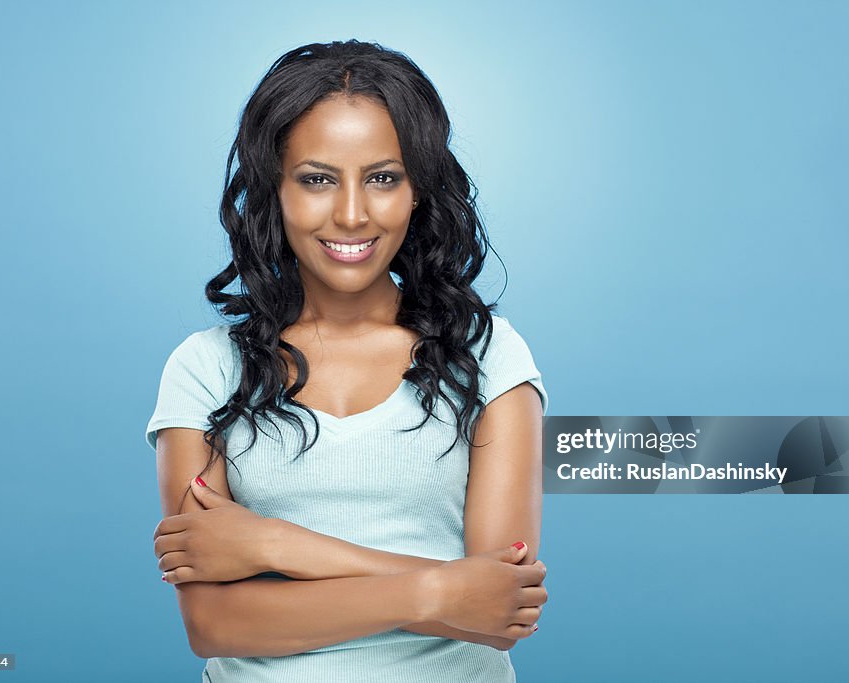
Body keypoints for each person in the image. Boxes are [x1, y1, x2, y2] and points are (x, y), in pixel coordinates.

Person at [144, 39, 549, 682]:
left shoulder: (489, 356)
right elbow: (213, 626)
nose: (352, 214)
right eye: (317, 178)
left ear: (419, 191)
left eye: (383, 178)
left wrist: (275, 545)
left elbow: (499, 610)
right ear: (272, 189)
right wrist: (441, 592)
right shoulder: (204, 371)